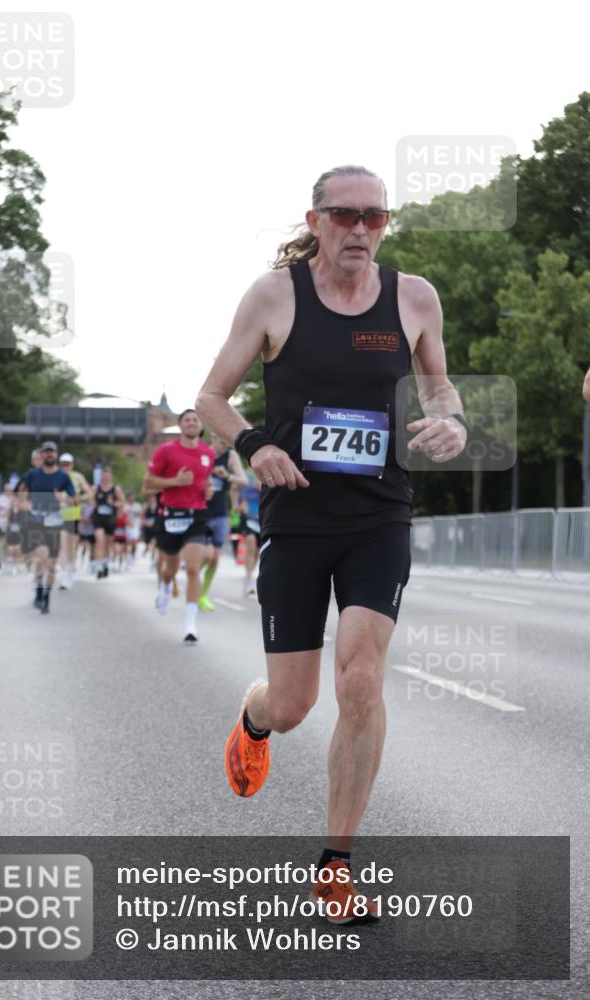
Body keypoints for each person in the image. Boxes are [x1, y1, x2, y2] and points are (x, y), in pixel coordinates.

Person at [196, 165, 468, 922]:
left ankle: (336, 869)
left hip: (379, 515)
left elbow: (438, 386)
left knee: (360, 679)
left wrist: (453, 420)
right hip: (296, 517)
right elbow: (210, 397)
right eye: (345, 215)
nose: (360, 228)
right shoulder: (273, 296)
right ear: (314, 221)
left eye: (374, 216)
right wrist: (254, 444)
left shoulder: (413, 297)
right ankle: (255, 718)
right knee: (293, 704)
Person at [143, 409, 214, 643]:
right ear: (180, 425)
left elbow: (206, 480)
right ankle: (165, 586)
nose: (192, 423)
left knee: (193, 567)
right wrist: (175, 481)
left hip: (197, 515)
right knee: (170, 569)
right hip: (171, 514)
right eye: (187, 420)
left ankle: (190, 625)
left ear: (201, 425)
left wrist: (208, 490)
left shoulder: (207, 453)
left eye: (195, 419)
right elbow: (147, 483)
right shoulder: (166, 450)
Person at [21, 442, 76, 614]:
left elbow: (75, 500)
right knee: (41, 557)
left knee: (52, 563)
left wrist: (63, 499)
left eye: (52, 452)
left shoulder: (63, 477)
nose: (49, 455)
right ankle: (38, 585)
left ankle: (46, 595)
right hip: (37, 520)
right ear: (42, 455)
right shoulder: (32, 475)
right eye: (46, 452)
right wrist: (25, 503)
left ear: (56, 455)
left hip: (54, 521)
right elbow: (21, 493)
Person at [198, 432, 248, 611]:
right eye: (221, 442)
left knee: (215, 559)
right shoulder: (202, 452)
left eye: (227, 443)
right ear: (212, 437)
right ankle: (193, 577)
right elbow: (193, 476)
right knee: (206, 555)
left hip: (220, 513)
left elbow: (243, 480)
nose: (224, 446)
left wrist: (227, 476)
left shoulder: (230, 456)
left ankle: (202, 595)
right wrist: (210, 471)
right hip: (201, 511)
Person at [58, 452, 91, 590]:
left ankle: (70, 570)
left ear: (72, 465)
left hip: (74, 517)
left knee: (72, 546)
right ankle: (64, 574)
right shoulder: (56, 477)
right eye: (63, 464)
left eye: (68, 464)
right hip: (60, 516)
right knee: (63, 546)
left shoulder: (78, 477)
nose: (65, 467)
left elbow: (89, 493)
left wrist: (77, 498)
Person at [90, 467, 125, 579]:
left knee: (107, 543)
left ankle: (105, 563)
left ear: (111, 477)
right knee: (99, 540)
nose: (106, 478)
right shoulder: (96, 488)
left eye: (108, 476)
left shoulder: (115, 489)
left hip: (110, 519)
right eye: (104, 476)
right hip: (98, 518)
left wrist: (113, 503)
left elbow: (122, 502)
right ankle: (98, 566)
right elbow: (91, 502)